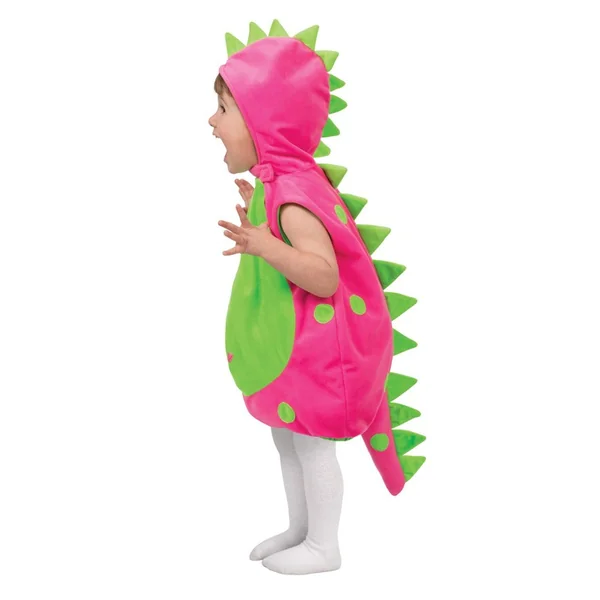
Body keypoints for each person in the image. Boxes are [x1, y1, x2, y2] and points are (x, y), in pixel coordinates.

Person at [208, 21, 425, 575]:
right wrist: (259, 212)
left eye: (224, 109)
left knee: (310, 447)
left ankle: (324, 547)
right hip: (295, 352)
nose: (212, 122)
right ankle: (301, 529)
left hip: (321, 354)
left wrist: (264, 243)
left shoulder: (295, 196)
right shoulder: (280, 185)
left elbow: (324, 277)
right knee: (287, 442)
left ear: (261, 121)